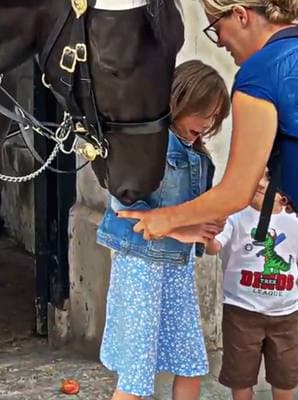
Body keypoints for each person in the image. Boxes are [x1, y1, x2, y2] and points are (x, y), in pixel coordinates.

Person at [96, 60, 230, 400]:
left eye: (216, 116)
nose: (209, 123)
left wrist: (209, 232)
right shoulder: (151, 145)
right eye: (205, 112)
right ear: (180, 100)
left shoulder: (199, 157)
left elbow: (198, 220)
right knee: (137, 372)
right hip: (141, 268)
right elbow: (122, 207)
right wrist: (181, 229)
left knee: (189, 362)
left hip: (176, 272)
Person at [117, 0, 298, 241]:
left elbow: (236, 192)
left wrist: (165, 218)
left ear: (240, 15)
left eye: (216, 28)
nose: (220, 41)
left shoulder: (260, 73)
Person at [205, 172, 298, 400]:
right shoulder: (235, 217)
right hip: (241, 312)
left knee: (285, 377)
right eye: (255, 176)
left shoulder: (295, 221)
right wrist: (209, 230)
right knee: (240, 377)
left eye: (268, 178)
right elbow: (213, 247)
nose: (259, 182)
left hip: (285, 315)